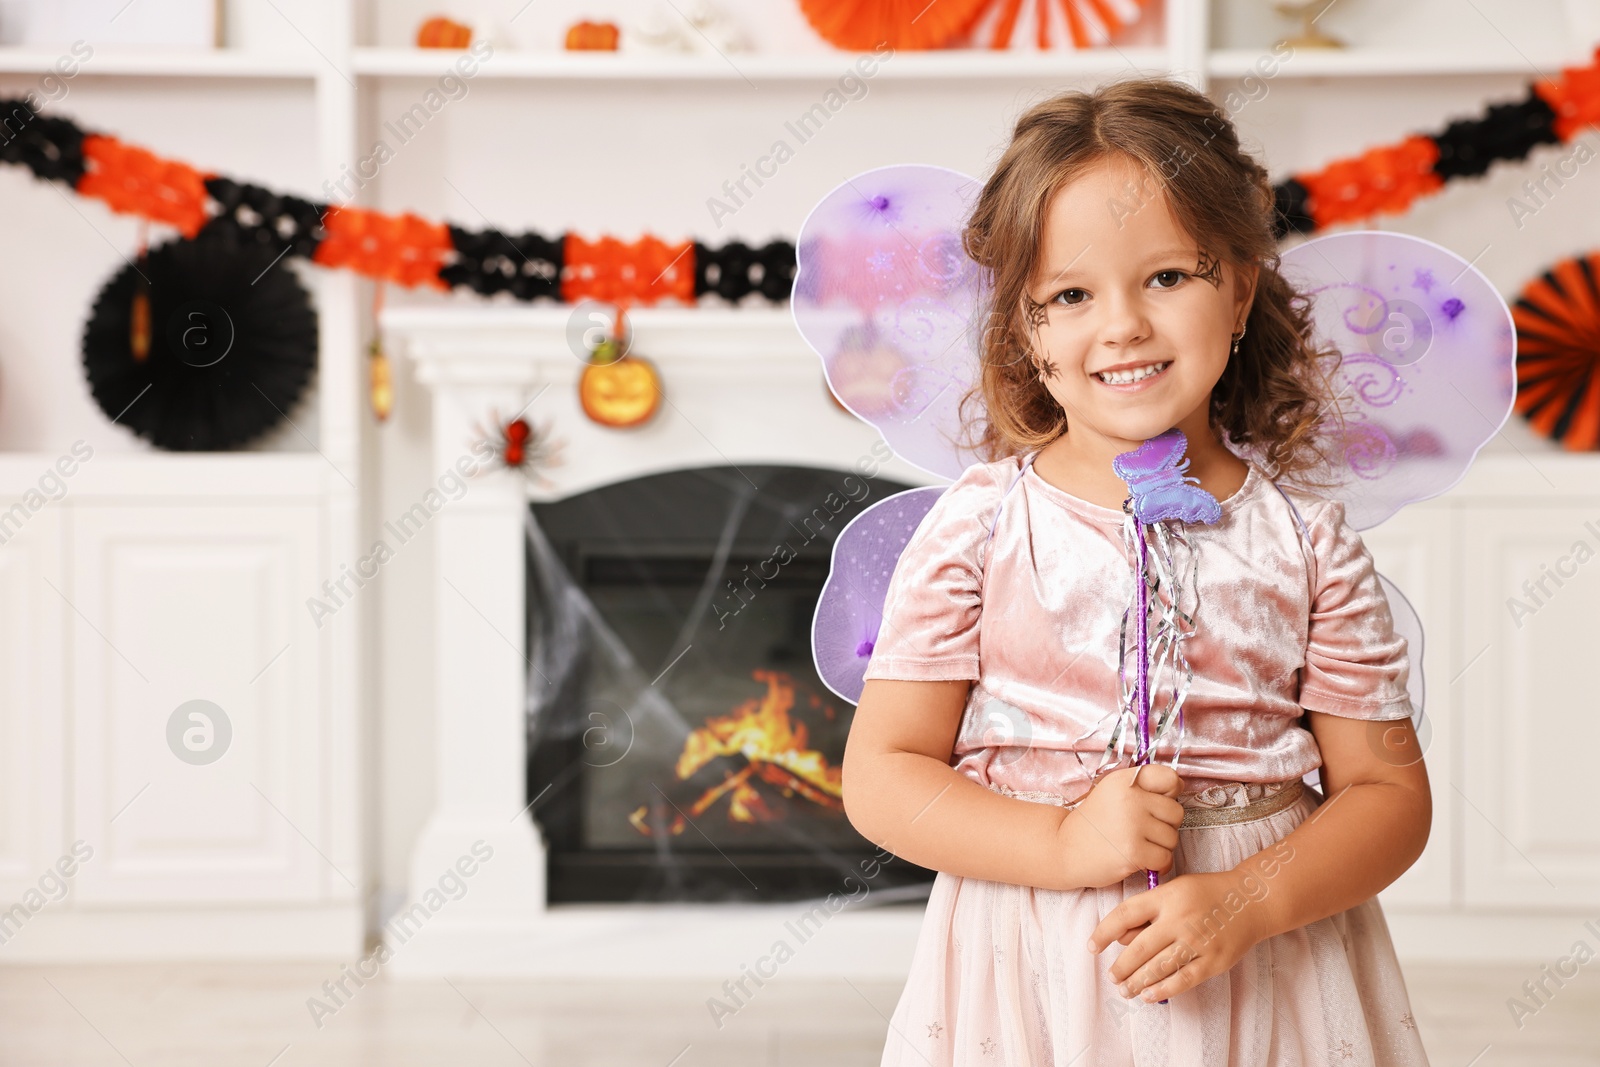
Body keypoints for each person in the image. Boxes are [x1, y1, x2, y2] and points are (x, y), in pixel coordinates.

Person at [840, 79, 1434, 1066]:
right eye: (1069, 294)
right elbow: (882, 774)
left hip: (1261, 961)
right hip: (1028, 959)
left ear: (1239, 287)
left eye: (1166, 276)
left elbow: (1387, 795)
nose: (1120, 325)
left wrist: (1248, 901)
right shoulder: (981, 525)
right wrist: (1065, 845)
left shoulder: (1307, 540)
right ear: (1028, 330)